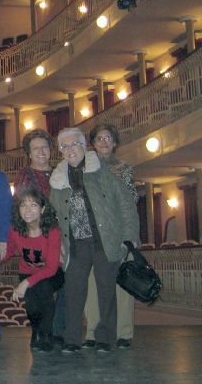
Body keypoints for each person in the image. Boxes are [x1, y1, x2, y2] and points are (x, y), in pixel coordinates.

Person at [49, 127, 139, 354]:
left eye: (74, 144)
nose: (70, 150)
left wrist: (129, 237)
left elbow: (125, 204)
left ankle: (105, 339)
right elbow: (53, 215)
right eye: (65, 146)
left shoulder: (103, 171)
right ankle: (72, 339)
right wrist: (57, 245)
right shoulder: (57, 180)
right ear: (60, 151)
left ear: (83, 146)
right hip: (76, 244)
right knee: (74, 291)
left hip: (104, 239)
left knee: (106, 289)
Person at [82, 123, 139, 350]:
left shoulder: (124, 169)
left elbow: (130, 201)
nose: (104, 142)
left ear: (114, 143)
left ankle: (124, 333)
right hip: (93, 236)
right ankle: (92, 332)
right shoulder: (85, 169)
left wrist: (130, 236)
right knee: (92, 285)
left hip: (119, 234)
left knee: (123, 285)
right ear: (93, 144)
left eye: (108, 138)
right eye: (99, 138)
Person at [1, 188, 63, 352]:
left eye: (33, 205)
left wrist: (25, 283)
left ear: (42, 209)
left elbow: (50, 267)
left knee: (42, 288)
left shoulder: (52, 231)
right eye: (23, 205)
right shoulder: (16, 230)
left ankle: (47, 334)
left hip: (53, 274)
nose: (27, 210)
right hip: (27, 272)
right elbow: (8, 252)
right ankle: (36, 332)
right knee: (31, 304)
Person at [13, 129, 55, 198]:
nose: (41, 151)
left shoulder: (59, 171)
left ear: (50, 150)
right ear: (29, 153)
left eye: (44, 147)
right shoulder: (24, 177)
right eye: (36, 148)